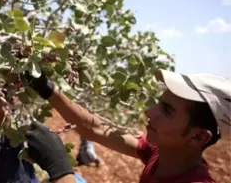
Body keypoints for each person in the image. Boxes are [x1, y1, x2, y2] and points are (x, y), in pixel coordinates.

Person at [23, 69, 231, 183]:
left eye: (167, 110)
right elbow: (94, 128)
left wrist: (60, 170)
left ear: (199, 138)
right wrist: (48, 90)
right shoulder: (162, 154)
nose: (149, 112)